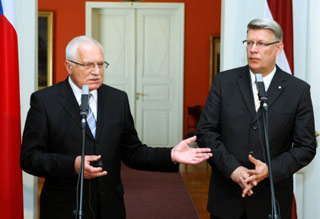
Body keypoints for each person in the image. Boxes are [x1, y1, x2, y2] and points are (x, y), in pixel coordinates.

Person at [20, 35, 212, 219]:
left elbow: (133, 152)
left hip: (109, 207)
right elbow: (30, 157)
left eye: (101, 64)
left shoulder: (117, 99)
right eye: (88, 65)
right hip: (64, 207)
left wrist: (171, 154)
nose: (96, 71)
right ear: (69, 66)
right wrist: (72, 165)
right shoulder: (45, 101)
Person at [196, 18, 316, 219]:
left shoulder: (298, 91)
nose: (253, 49)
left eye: (261, 43)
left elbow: (306, 146)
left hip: (270, 200)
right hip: (227, 199)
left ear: (279, 48)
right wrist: (232, 169)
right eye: (249, 42)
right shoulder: (224, 83)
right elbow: (206, 132)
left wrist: (270, 170)